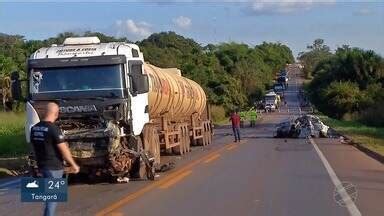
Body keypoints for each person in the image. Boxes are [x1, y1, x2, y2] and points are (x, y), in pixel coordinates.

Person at [30, 102, 80, 216]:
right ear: (57, 114)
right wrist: (73, 164)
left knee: (49, 197)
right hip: (54, 167)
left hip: (42, 166)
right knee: (52, 199)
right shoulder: (53, 129)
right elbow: (64, 150)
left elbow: (34, 146)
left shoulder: (34, 128)